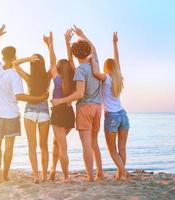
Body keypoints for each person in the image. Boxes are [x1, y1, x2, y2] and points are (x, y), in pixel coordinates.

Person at [0, 25, 49, 183]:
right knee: (9, 147)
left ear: (2, 57)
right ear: (15, 56)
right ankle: (6, 174)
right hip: (12, 115)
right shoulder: (14, 76)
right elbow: (21, 96)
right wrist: (40, 98)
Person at [51, 26, 103, 182]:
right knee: (94, 143)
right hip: (98, 108)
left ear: (75, 55)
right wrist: (82, 35)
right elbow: (93, 48)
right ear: (88, 52)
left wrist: (60, 101)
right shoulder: (95, 63)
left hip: (85, 108)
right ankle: (99, 173)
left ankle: (91, 177)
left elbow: (79, 94)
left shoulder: (80, 71)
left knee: (86, 145)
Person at [89, 32, 130, 180]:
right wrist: (115, 44)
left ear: (106, 67)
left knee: (112, 150)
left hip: (111, 117)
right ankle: (120, 175)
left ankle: (124, 173)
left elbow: (94, 72)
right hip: (123, 115)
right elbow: (117, 61)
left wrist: (91, 60)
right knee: (122, 149)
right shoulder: (118, 77)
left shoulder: (105, 77)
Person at [12, 52, 51, 183]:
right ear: (43, 64)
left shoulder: (28, 78)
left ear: (32, 65)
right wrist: (49, 47)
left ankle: (36, 175)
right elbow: (54, 63)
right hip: (44, 111)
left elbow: (14, 64)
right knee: (44, 145)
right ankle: (44, 175)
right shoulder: (48, 77)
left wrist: (29, 58)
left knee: (32, 145)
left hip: (30, 111)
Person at [43, 30, 76, 183]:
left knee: (62, 145)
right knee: (57, 142)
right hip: (69, 114)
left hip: (58, 113)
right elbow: (70, 60)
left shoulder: (57, 79)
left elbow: (52, 62)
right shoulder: (74, 78)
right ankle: (53, 171)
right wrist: (67, 43)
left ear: (58, 68)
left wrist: (50, 45)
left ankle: (66, 176)